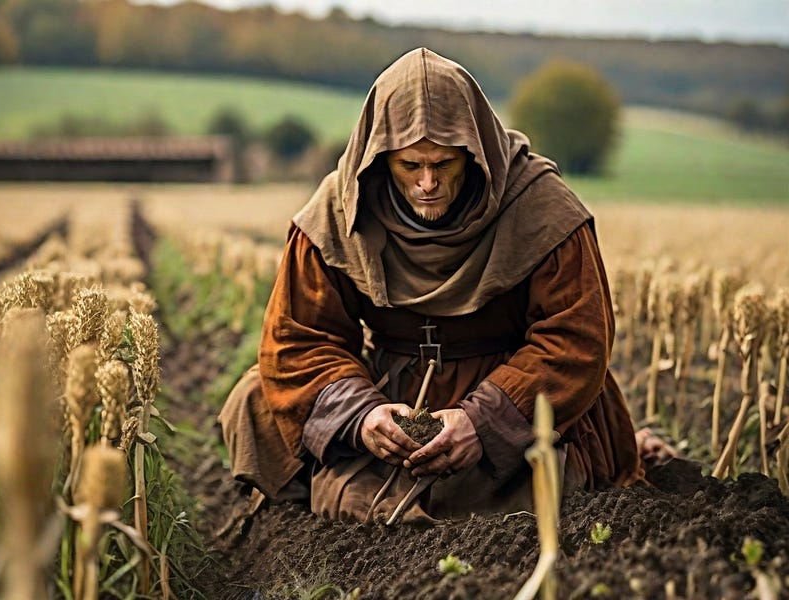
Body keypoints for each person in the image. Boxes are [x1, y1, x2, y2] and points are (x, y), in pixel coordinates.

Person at [219, 47, 644, 523]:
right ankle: (336, 505)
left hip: (508, 398)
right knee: (257, 398)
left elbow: (576, 340)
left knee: (523, 493)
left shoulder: (543, 209)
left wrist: (480, 423)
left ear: (475, 152)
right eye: (410, 166)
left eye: (443, 164)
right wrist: (363, 417)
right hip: (389, 396)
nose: (427, 183)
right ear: (381, 160)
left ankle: (408, 503)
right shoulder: (336, 213)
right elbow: (297, 339)